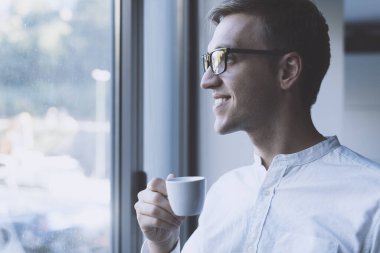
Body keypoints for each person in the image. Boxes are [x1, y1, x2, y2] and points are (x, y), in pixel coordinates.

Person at [134, 0, 380, 252]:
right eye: (208, 61)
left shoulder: (373, 202)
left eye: (224, 58)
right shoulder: (223, 194)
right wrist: (161, 243)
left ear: (287, 70)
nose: (206, 81)